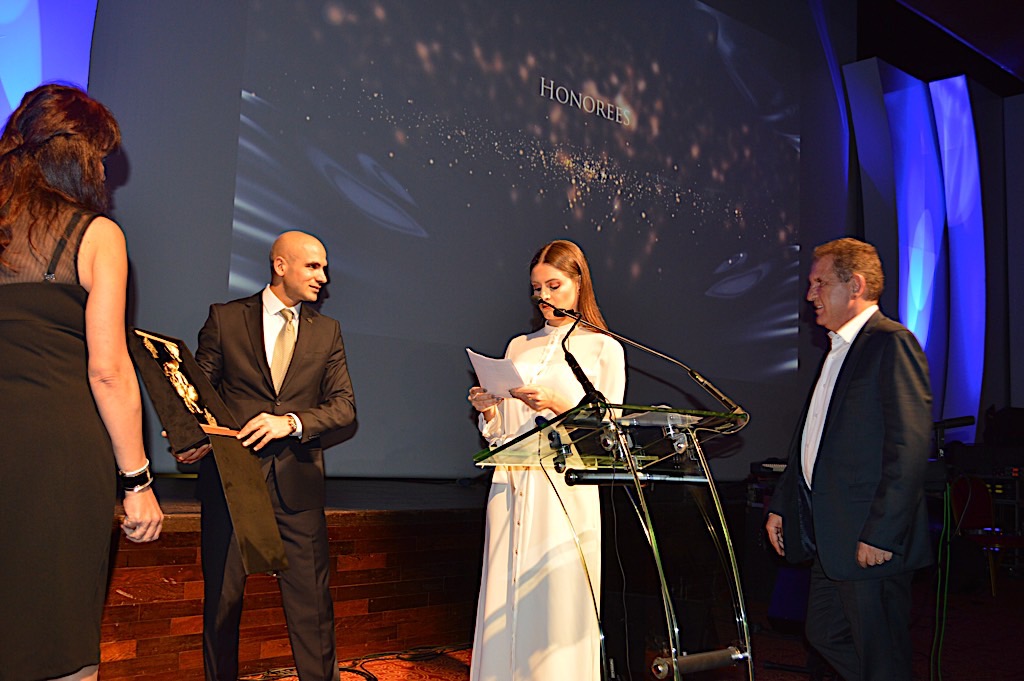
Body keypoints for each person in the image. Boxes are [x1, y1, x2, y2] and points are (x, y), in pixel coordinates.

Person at [0, 84, 164, 681]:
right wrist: (137, 481)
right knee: (56, 628)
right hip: (55, 452)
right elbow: (108, 370)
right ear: (78, 155)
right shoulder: (96, 235)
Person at [177, 230, 356, 681]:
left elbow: (343, 407)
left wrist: (291, 422)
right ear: (280, 266)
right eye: (313, 266)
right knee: (222, 605)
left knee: (313, 610)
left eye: (324, 267)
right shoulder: (225, 318)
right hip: (233, 483)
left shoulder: (327, 331)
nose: (323, 277)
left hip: (298, 485)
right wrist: (188, 432)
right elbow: (199, 393)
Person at [765, 238, 933, 681]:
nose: (810, 295)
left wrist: (882, 533)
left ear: (855, 285)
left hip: (868, 538)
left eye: (819, 283)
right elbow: (812, 439)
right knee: (823, 633)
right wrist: (784, 504)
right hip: (833, 538)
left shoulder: (891, 343)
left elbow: (909, 447)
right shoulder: (838, 350)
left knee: (880, 655)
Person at [467, 239, 625, 681]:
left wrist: (558, 403)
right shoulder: (519, 345)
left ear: (578, 283)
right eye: (537, 288)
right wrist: (489, 409)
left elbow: (607, 432)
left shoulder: (603, 348)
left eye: (554, 286)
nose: (544, 297)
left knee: (557, 601)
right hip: (512, 483)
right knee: (505, 594)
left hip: (565, 488)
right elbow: (503, 432)